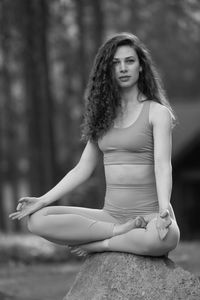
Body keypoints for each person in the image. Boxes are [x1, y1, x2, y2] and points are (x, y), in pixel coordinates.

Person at [9, 32, 180, 257]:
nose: (123, 68)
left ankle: (101, 244)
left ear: (141, 67)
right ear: (108, 70)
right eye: (115, 63)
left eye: (130, 61)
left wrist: (163, 210)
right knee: (37, 220)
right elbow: (82, 169)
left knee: (166, 238)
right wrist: (42, 200)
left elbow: (162, 166)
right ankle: (118, 232)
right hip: (110, 216)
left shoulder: (158, 113)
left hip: (150, 214)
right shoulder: (102, 115)